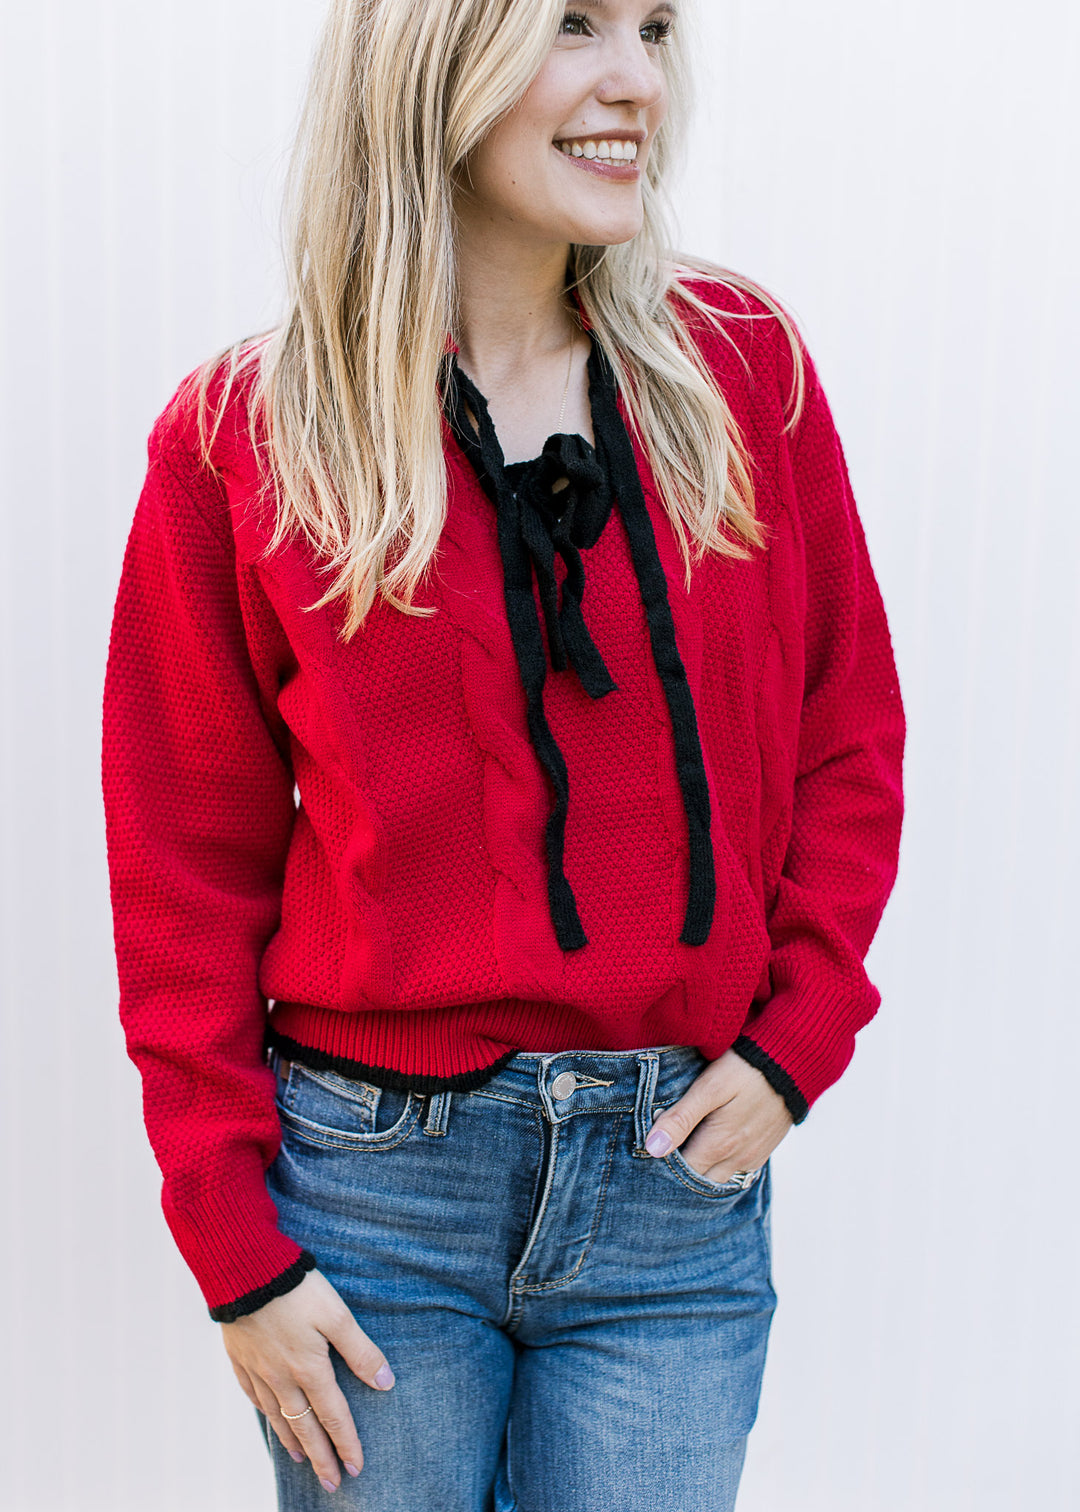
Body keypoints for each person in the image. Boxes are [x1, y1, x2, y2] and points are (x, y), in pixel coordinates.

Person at [102, 1, 905, 1507]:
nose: (637, 81)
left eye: (654, 28)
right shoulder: (243, 439)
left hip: (676, 1193)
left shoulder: (744, 376)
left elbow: (845, 732)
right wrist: (233, 1249)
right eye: (575, 25)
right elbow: (181, 869)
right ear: (434, 58)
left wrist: (800, 1039)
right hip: (373, 1202)